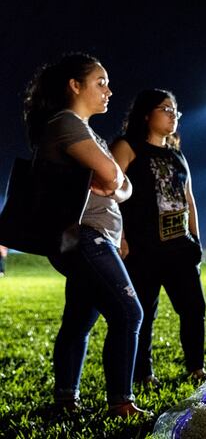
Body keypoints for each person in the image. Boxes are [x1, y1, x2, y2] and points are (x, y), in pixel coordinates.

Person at [23, 53, 148, 416]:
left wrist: (115, 181)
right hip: (84, 237)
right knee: (128, 313)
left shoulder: (84, 129)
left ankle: (65, 401)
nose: (109, 90)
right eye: (100, 82)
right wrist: (114, 180)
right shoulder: (66, 123)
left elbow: (121, 186)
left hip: (95, 236)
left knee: (79, 319)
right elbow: (113, 178)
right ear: (74, 86)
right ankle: (121, 403)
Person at [111, 89, 206, 387]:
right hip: (143, 248)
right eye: (165, 108)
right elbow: (110, 194)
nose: (172, 115)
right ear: (146, 114)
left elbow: (189, 199)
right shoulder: (127, 147)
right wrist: (121, 237)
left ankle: (195, 367)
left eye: (175, 110)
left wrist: (197, 241)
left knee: (194, 307)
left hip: (180, 246)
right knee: (143, 313)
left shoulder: (178, 155)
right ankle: (143, 374)